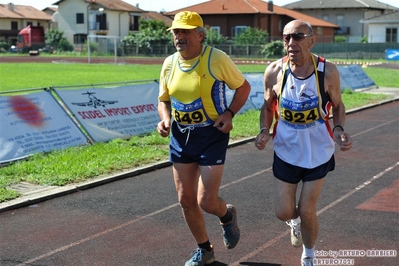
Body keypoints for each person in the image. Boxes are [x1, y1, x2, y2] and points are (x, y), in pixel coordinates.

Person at [157, 11, 251, 266]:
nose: (179, 37)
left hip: (212, 134)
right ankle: (205, 249)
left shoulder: (217, 58)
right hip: (181, 137)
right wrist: (165, 119)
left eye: (185, 31)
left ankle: (227, 216)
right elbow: (163, 100)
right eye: (176, 32)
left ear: (200, 35)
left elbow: (243, 87)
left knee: (206, 200)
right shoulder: (169, 63)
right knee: (186, 200)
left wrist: (229, 113)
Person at [255, 20, 352, 266]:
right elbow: (267, 107)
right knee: (284, 212)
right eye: (286, 38)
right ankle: (294, 223)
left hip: (317, 151)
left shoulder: (327, 71)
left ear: (311, 40)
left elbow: (338, 106)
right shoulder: (275, 71)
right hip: (286, 150)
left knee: (307, 209)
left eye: (297, 37)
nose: (291, 43)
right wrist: (264, 130)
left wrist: (339, 129)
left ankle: (309, 255)